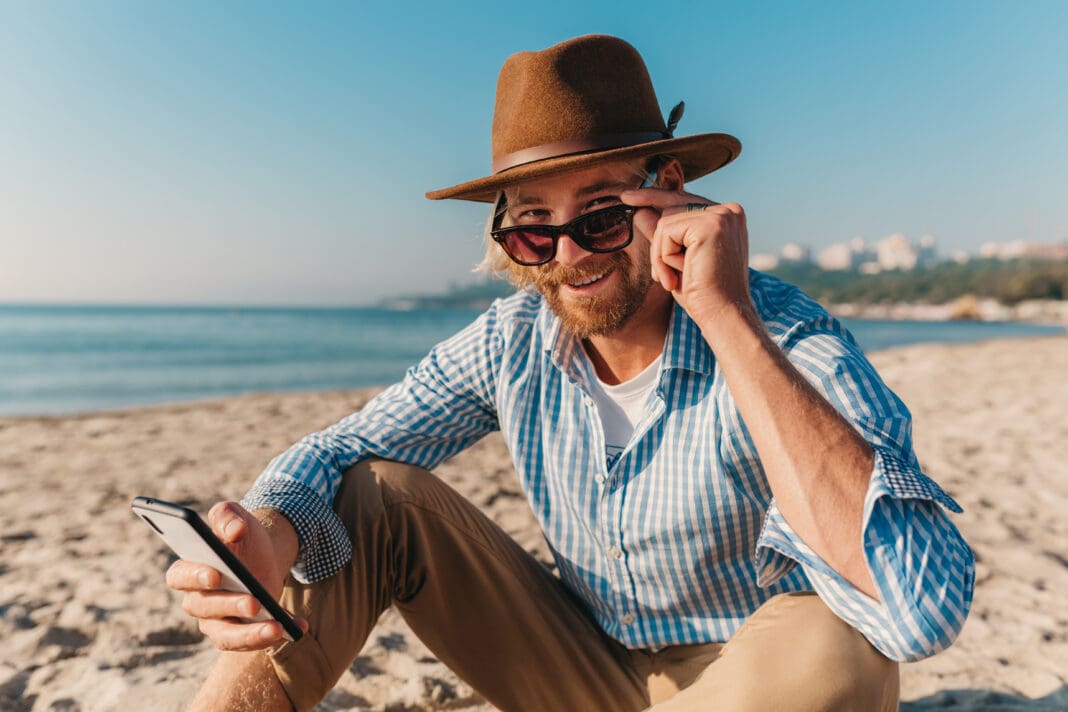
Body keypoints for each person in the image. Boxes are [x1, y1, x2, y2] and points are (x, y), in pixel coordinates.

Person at [166, 35, 974, 711]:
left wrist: (726, 319)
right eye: (534, 232)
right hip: (582, 671)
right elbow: (339, 453)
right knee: (373, 495)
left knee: (841, 639)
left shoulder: (783, 335)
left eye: (600, 216)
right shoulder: (511, 341)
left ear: (669, 193)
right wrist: (267, 536)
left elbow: (918, 612)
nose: (570, 255)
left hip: (762, 679)